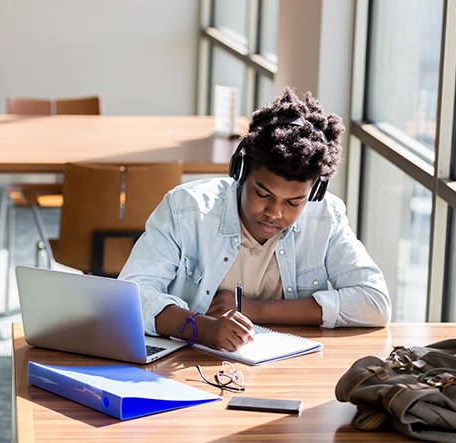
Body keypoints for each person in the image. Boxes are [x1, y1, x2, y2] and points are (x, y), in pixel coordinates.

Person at [118, 87, 391, 353]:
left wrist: (255, 309)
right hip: (191, 366)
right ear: (241, 170)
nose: (274, 213)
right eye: (263, 193)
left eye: (294, 202)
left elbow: (374, 302)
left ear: (314, 192)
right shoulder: (185, 209)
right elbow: (132, 297)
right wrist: (202, 329)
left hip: (283, 369)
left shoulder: (325, 218)